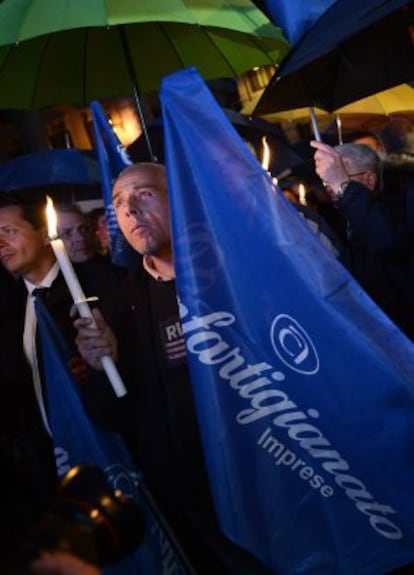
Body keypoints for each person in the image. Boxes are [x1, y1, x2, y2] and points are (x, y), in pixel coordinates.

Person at [74, 163, 273, 575]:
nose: (129, 209)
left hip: (271, 478)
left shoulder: (236, 273)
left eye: (144, 194)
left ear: (177, 197)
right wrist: (101, 366)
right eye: (118, 203)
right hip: (193, 502)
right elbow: (112, 417)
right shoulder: (115, 308)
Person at [310, 140, 414, 339]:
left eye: (340, 177)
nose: (332, 187)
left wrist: (344, 186)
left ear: (369, 179)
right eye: (327, 182)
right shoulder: (340, 216)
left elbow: (386, 242)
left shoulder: (397, 206)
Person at [56, 203, 126, 299]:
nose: (80, 238)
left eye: (83, 229)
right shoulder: (50, 282)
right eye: (67, 233)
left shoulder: (117, 276)